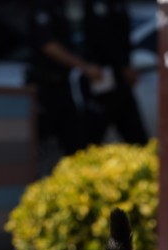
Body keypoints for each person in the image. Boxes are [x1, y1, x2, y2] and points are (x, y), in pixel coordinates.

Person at [27, 0, 103, 160]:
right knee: (35, 139)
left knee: (76, 140)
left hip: (64, 86)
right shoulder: (44, 7)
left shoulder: (66, 8)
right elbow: (48, 45)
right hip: (44, 87)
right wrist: (84, 66)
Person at [78, 0, 149, 145]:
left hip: (119, 80)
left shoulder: (119, 5)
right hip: (102, 76)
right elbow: (102, 39)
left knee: (136, 136)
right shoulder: (97, 5)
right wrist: (124, 66)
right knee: (91, 136)